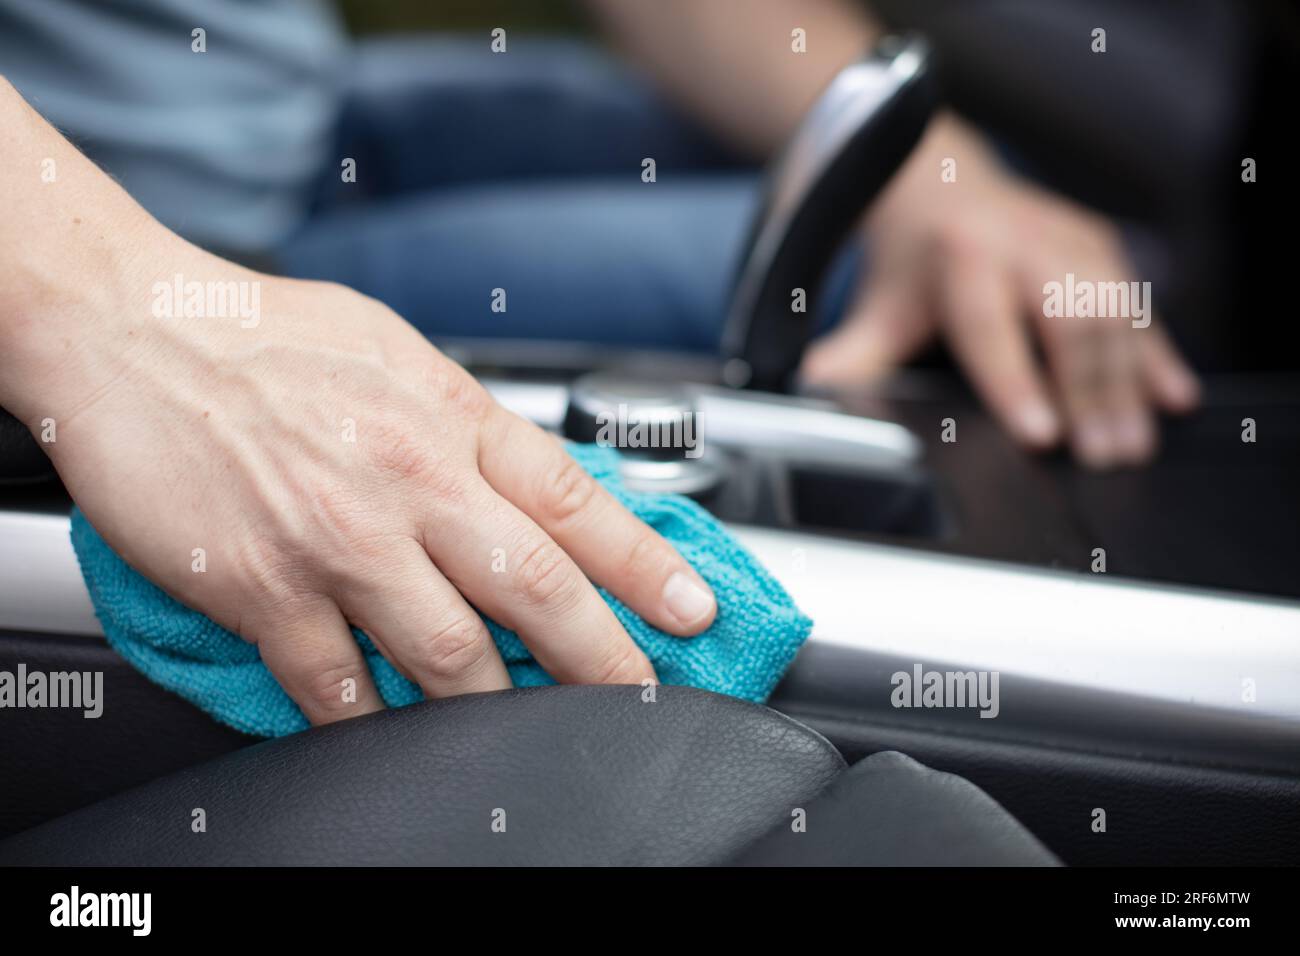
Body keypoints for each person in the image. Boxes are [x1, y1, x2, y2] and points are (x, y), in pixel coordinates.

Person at [0, 0, 1200, 724]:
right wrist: (120, 325)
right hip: (99, 242)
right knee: (911, 303)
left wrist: (940, 179)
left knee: (1003, 222)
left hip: (282, 136)